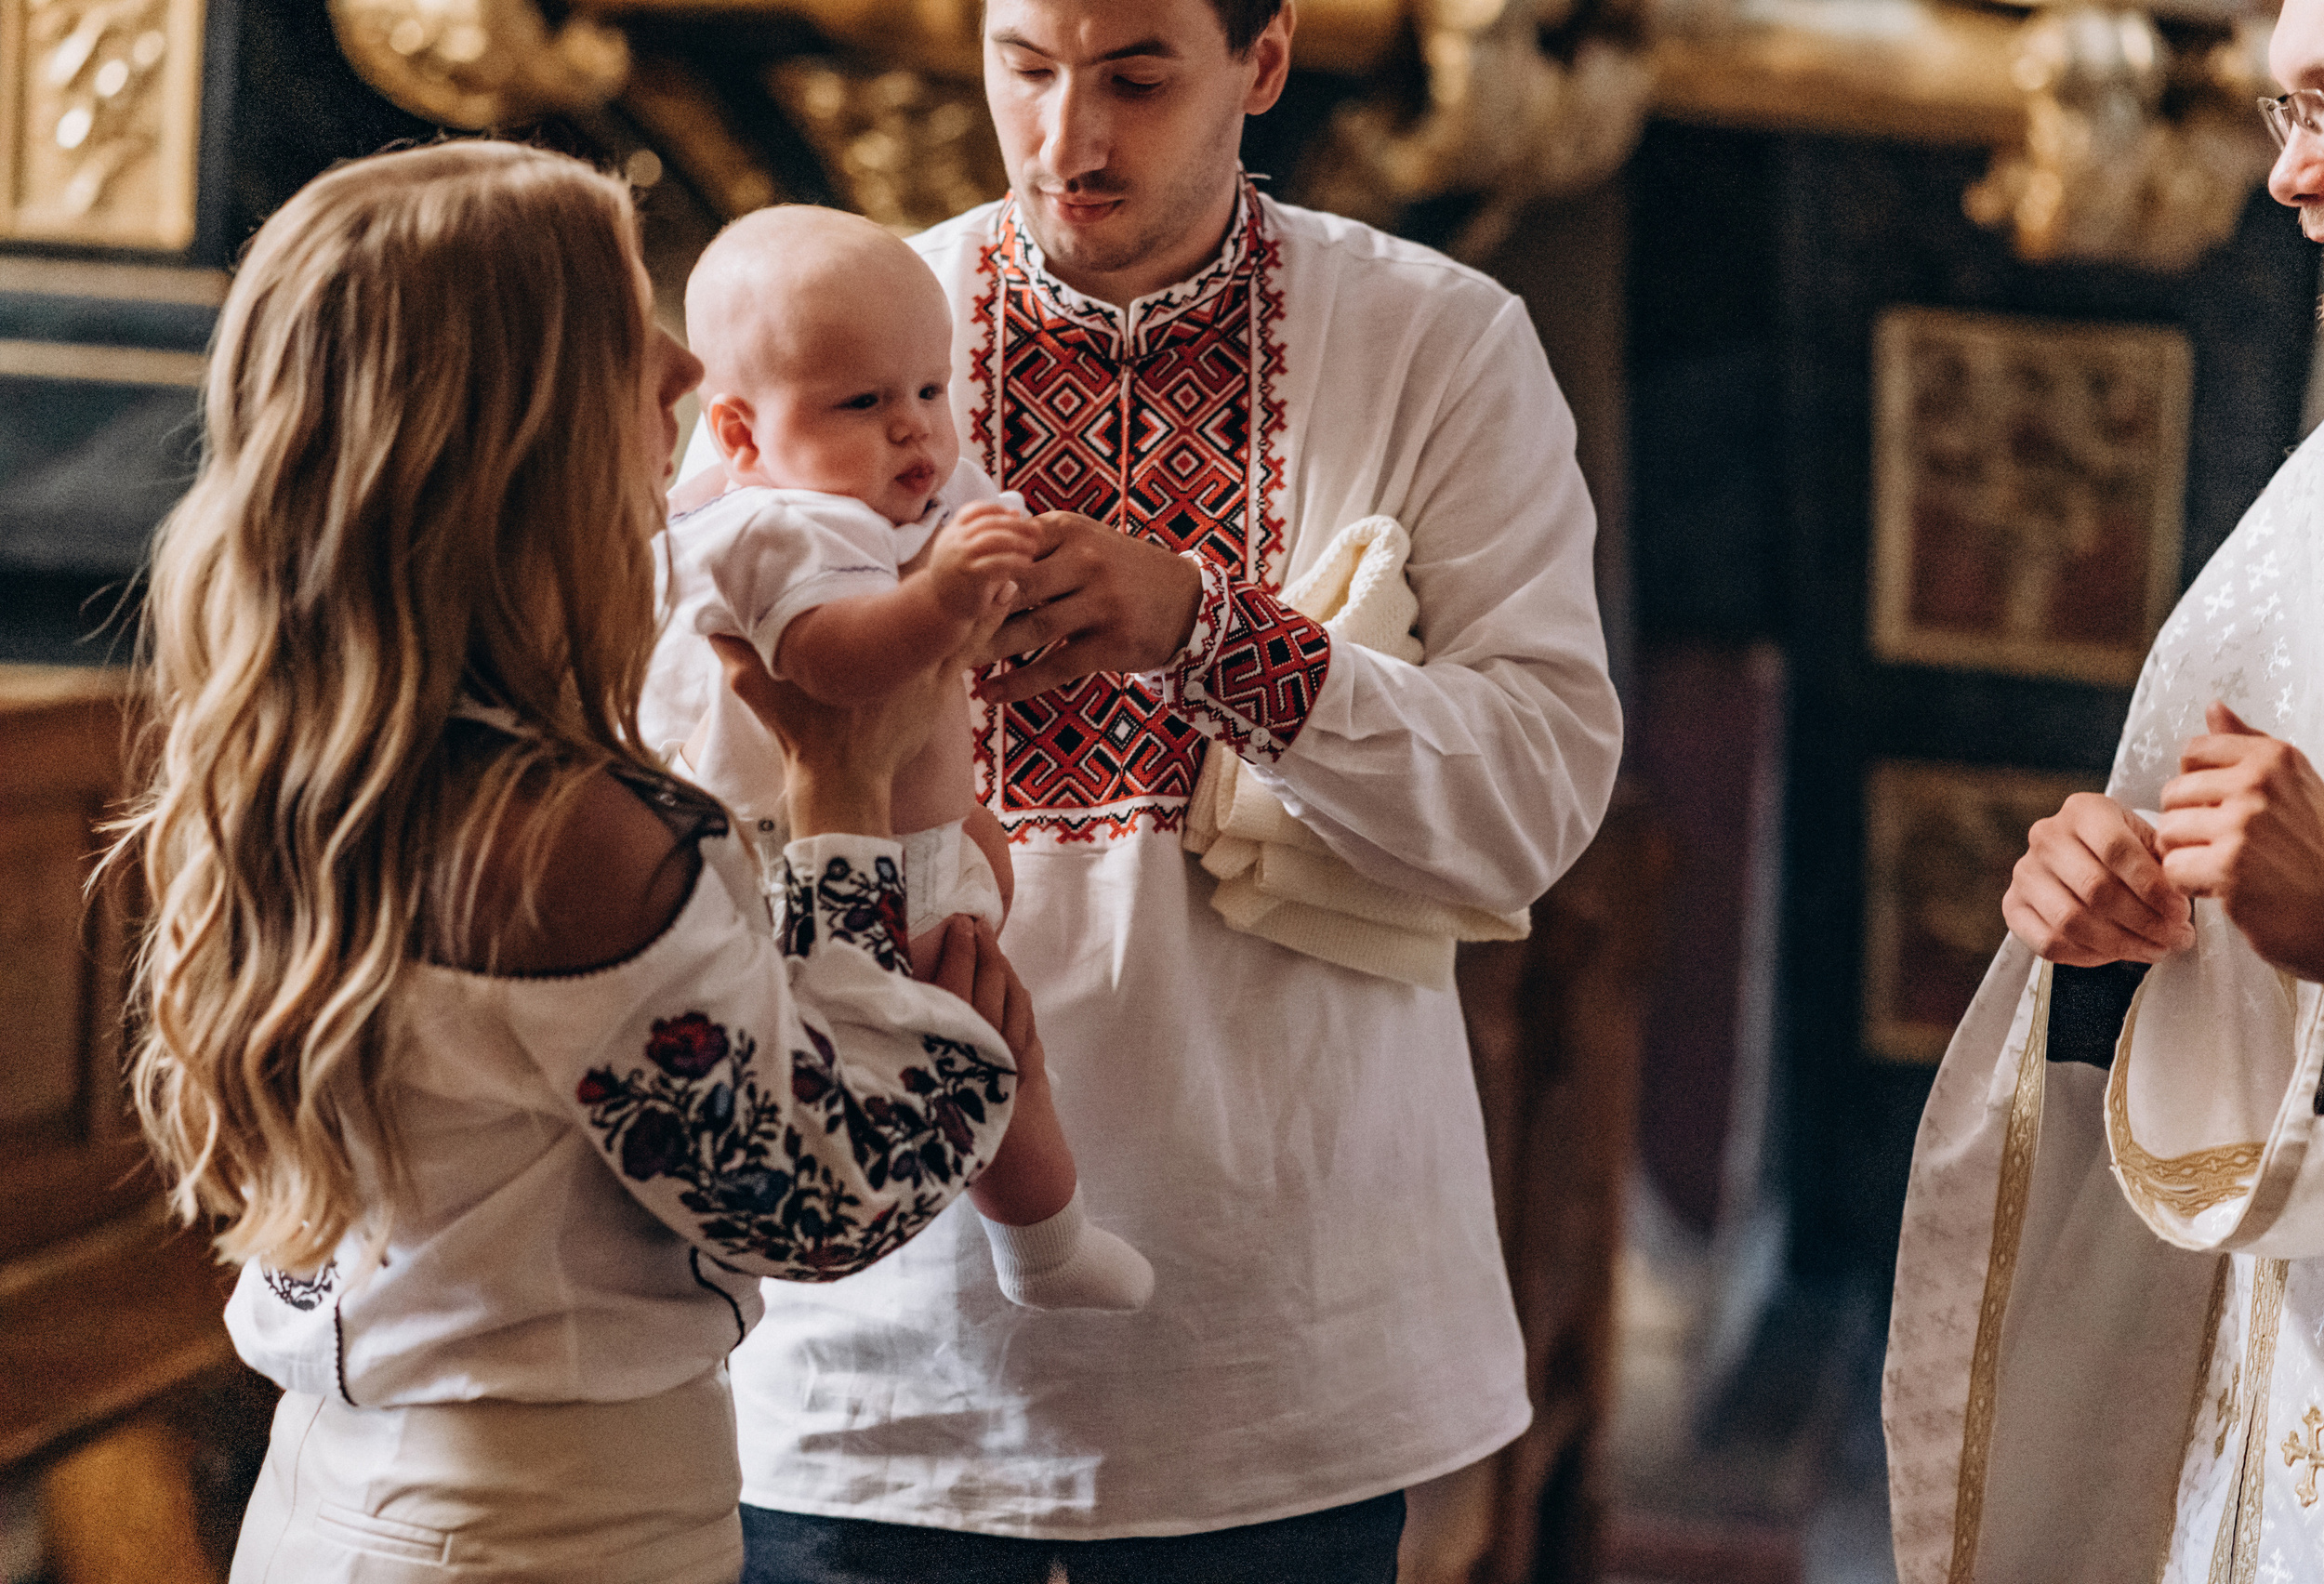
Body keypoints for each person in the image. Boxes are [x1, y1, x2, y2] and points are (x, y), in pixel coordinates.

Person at [682, 0, 1626, 1576]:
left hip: (1277, 1320)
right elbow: (679, 773)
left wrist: (1206, 631)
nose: (1066, 139)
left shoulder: (1439, 341)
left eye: (1133, 76)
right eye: (1025, 70)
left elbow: (1537, 791)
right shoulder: (825, 335)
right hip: (878, 1330)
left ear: (1263, 62)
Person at [116, 140, 1040, 1583]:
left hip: (347, 1487)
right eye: (629, 327)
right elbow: (813, 1195)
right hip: (541, 1530)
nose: (681, 368)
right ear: (520, 418)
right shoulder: (567, 841)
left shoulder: (308, 751)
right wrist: (851, 811)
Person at [1885, 0, 2324, 1577]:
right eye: (2282, 114)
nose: (2294, 177)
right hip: (2302, 1407)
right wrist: (2110, 937)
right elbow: (2213, 988)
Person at [646, 204, 1155, 1312]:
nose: (916, 432)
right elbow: (834, 669)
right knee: (981, 1052)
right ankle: (1045, 1247)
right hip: (827, 861)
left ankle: (1042, 1239)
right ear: (738, 437)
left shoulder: (887, 494)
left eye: (930, 390)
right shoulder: (772, 530)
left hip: (918, 838)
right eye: (864, 404)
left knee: (988, 1023)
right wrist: (941, 599)